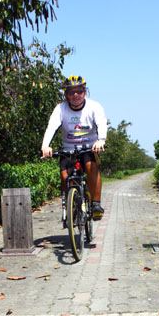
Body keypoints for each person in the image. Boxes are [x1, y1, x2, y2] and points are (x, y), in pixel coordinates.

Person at [41, 75, 107, 220]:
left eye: (79, 91)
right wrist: (45, 145)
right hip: (68, 148)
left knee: (91, 166)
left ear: (85, 92)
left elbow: (102, 123)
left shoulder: (94, 106)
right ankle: (68, 204)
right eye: (71, 92)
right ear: (65, 94)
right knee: (65, 177)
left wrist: (101, 140)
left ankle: (96, 204)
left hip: (89, 147)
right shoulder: (60, 109)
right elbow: (51, 126)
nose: (75, 95)